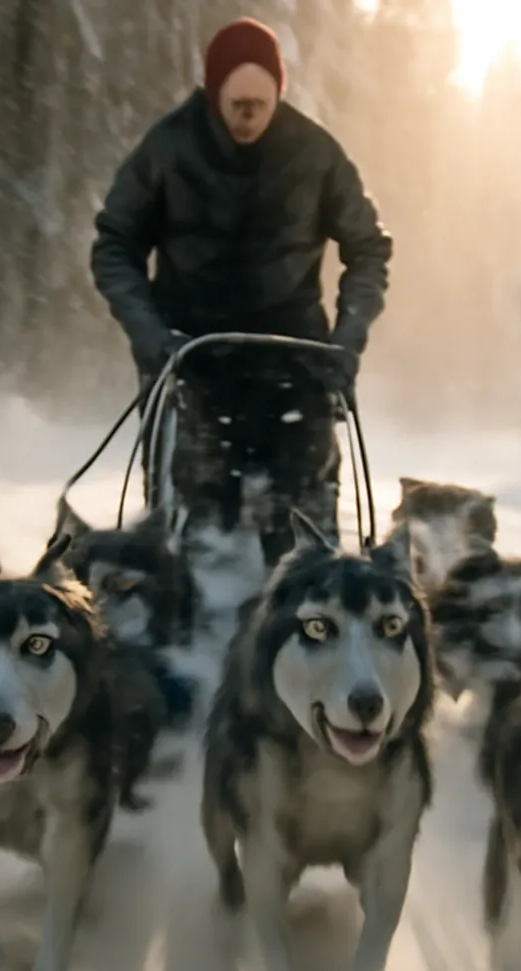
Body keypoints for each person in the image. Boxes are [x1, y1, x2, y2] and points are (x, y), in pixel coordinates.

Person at [90, 16, 393, 563]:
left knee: (307, 547)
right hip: (190, 362)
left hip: (296, 366)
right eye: (237, 103)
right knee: (191, 545)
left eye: (262, 102)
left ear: (279, 92)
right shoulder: (167, 148)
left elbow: (368, 248)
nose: (249, 116)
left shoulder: (317, 154)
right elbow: (114, 245)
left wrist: (348, 341)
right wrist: (150, 336)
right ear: (213, 93)